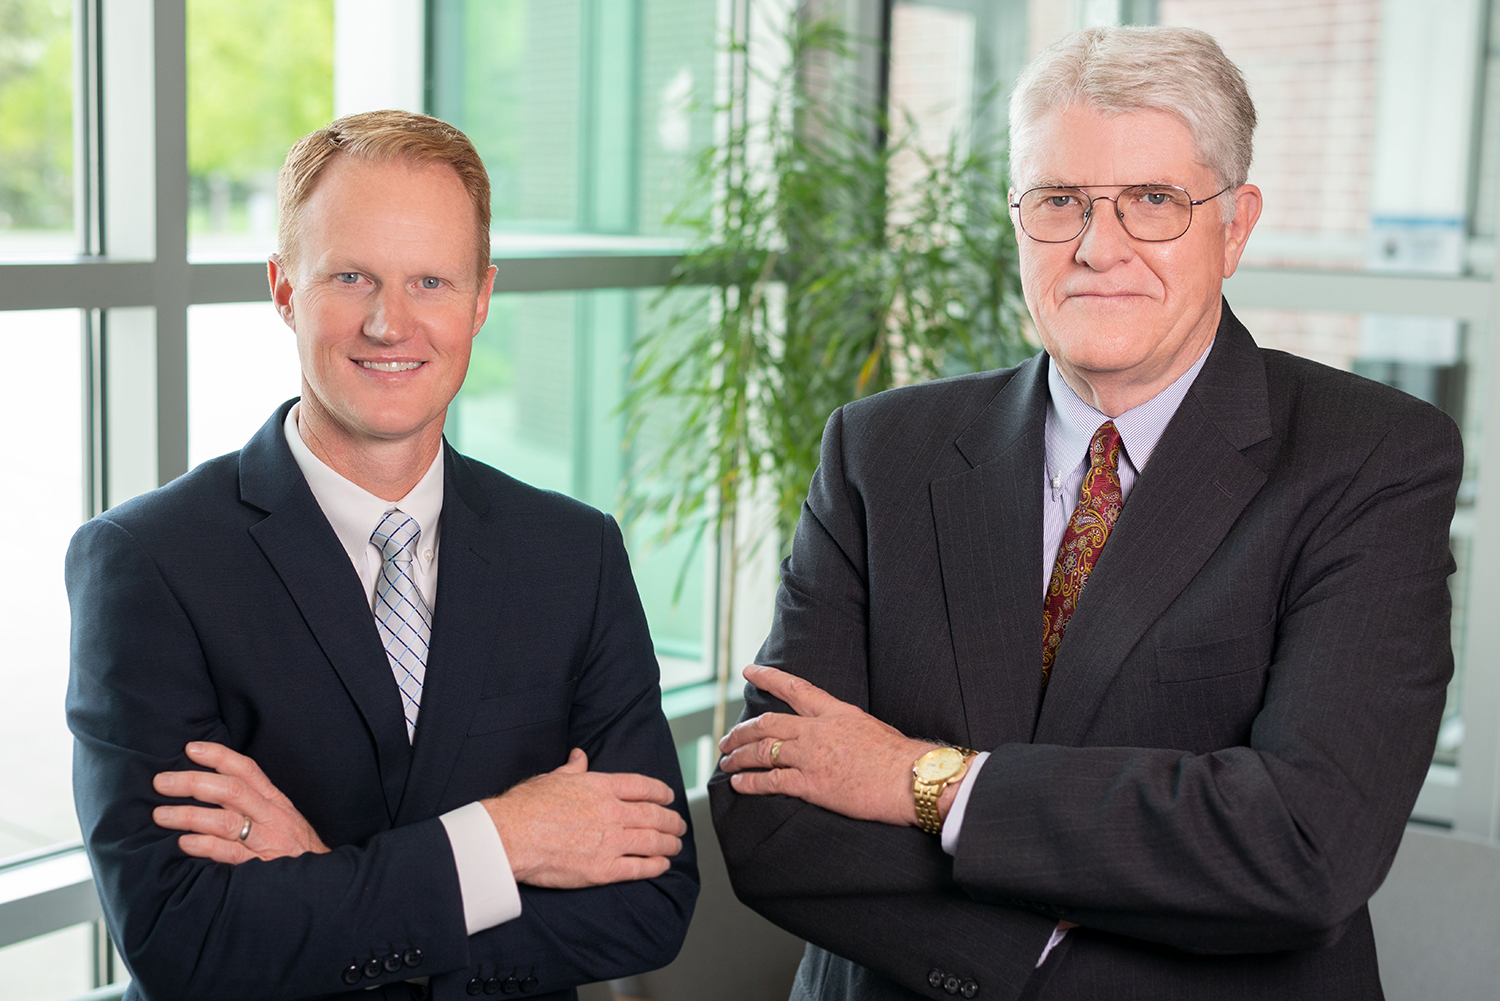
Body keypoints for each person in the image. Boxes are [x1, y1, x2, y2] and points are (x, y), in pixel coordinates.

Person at [711, 25, 1460, 1001]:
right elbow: (774, 816)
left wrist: (920, 780)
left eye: (1153, 201)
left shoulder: (1367, 458)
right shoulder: (879, 451)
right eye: (1061, 200)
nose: (1099, 247)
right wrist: (1059, 922)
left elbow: (1301, 846)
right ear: (1016, 218)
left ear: (1235, 227)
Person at [67, 110, 696, 1001]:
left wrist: (327, 883)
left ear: (481, 299)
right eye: (351, 276)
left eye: (431, 281)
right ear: (285, 289)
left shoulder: (574, 554)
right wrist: (501, 841)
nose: (390, 323)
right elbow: (183, 936)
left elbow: (652, 902)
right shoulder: (149, 563)